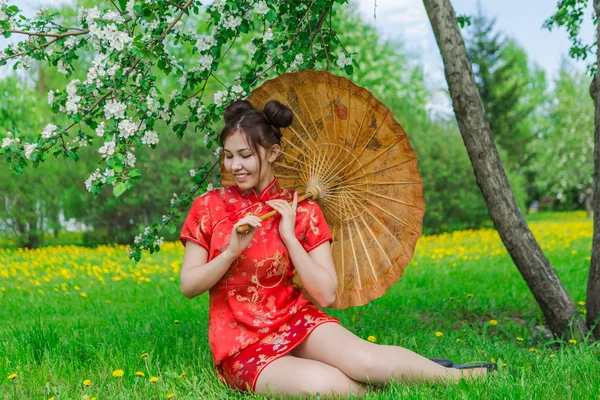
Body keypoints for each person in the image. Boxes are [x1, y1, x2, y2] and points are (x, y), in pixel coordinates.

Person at [179, 99, 495, 398]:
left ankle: (457, 377)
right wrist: (231, 251)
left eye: (245, 155)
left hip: (295, 320)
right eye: (228, 155)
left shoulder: (301, 211)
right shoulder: (208, 207)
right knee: (324, 386)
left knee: (367, 362)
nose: (235, 165)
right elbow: (189, 286)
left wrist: (290, 237)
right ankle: (405, 381)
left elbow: (326, 294)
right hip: (241, 346)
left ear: (273, 153)